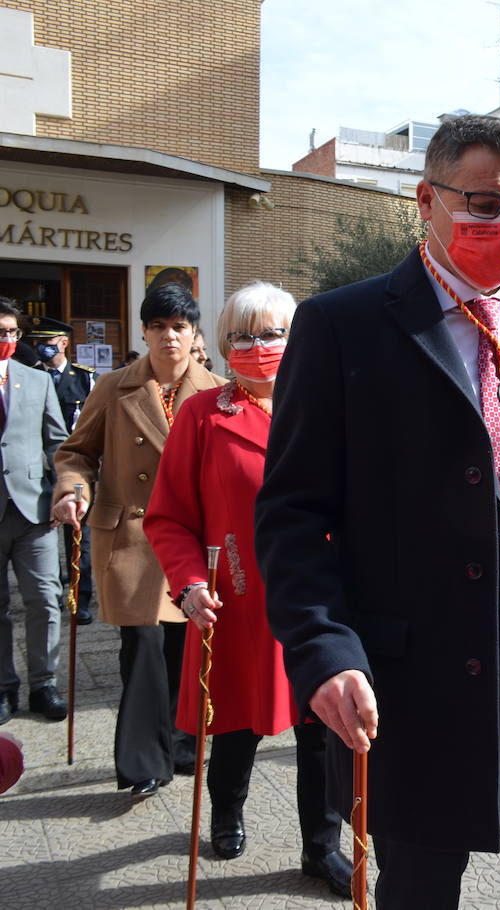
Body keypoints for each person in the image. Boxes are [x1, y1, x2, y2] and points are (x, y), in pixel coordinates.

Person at [255, 114, 500, 908]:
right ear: (426, 199)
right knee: (422, 884)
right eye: (484, 203)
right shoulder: (344, 327)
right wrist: (324, 648)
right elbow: (293, 512)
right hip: (419, 665)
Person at [143, 282, 349, 893]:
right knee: (236, 723)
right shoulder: (203, 416)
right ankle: (227, 812)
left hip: (319, 595)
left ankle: (322, 844)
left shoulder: (332, 407)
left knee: (324, 725)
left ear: (299, 337)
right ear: (224, 343)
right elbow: (169, 516)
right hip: (234, 595)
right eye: (243, 335)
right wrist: (185, 583)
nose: (258, 347)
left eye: (273, 334)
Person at [51, 284, 224, 798]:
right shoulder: (113, 388)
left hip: (194, 541)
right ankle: (143, 762)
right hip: (131, 535)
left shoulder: (219, 391)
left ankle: (184, 743)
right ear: (143, 331)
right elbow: (75, 453)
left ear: (193, 334)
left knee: (185, 646)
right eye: (158, 326)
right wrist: (73, 492)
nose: (169, 336)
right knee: (144, 645)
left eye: (179, 326)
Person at [0, 300, 70, 726]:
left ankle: (44, 683)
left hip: (33, 509)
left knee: (45, 599)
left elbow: (58, 443)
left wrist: (67, 487)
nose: (7, 341)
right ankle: (4, 687)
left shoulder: (36, 380)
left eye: (12, 333)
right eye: (0, 333)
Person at [27, 316, 95, 625]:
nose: (40, 347)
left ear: (64, 343)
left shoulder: (84, 379)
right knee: (41, 535)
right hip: (40, 469)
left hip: (75, 470)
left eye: (46, 342)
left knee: (79, 535)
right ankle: (50, 591)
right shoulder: (29, 377)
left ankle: (79, 597)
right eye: (36, 343)